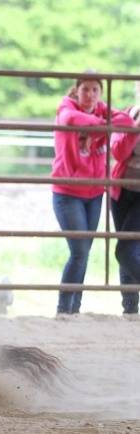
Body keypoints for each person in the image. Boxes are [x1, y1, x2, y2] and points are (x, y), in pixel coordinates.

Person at [51, 73, 134, 315]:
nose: (90, 95)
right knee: (79, 251)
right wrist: (102, 124)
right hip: (68, 191)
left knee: (84, 251)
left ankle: (73, 310)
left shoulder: (102, 109)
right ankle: (63, 309)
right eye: (85, 89)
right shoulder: (66, 106)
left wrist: (99, 122)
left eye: (95, 90)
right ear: (76, 90)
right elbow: (70, 119)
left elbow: (127, 123)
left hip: (95, 192)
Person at [109, 105, 140, 315]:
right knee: (125, 248)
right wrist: (135, 128)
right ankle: (129, 310)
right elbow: (118, 152)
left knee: (125, 251)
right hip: (121, 191)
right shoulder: (129, 114)